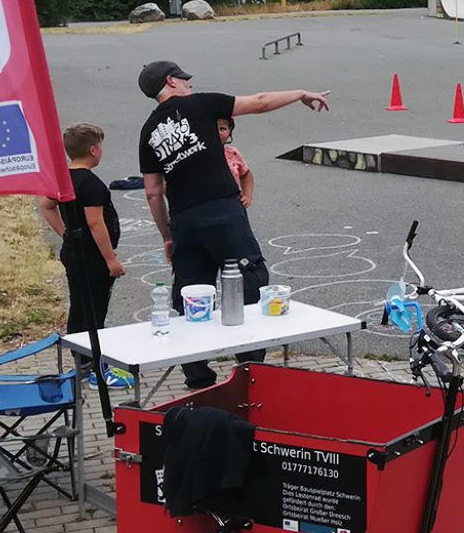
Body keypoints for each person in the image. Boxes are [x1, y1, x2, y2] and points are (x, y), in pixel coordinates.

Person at [137, 60, 329, 387]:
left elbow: (154, 193)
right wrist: (299, 93)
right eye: (185, 79)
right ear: (171, 81)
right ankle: (249, 373)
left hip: (184, 219)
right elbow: (259, 102)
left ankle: (198, 377)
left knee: (189, 296)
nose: (190, 83)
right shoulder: (199, 104)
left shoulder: (148, 131)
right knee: (249, 282)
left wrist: (168, 236)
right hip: (223, 212)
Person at [40, 123, 124, 336]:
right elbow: (95, 223)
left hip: (73, 251)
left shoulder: (63, 180)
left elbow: (47, 207)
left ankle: (81, 355)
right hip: (92, 256)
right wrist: (110, 259)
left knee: (79, 303)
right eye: (100, 146)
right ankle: (93, 357)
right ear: (93, 150)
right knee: (95, 308)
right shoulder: (91, 184)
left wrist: (65, 232)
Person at [217, 117, 254, 208]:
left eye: (222, 129)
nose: (218, 133)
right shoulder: (197, 153)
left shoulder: (233, 153)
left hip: (232, 203)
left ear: (230, 132)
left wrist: (247, 196)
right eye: (213, 129)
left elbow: (246, 174)